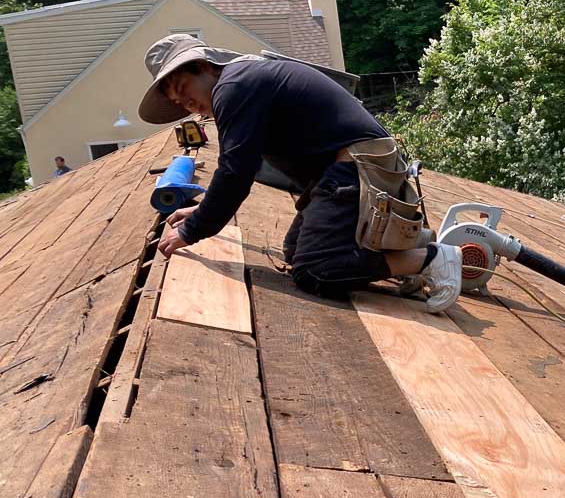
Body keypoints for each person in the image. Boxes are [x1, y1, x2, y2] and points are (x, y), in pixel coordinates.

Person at [137, 33, 462, 310]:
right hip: (353, 170)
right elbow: (239, 170)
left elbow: (236, 171)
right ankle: (402, 245)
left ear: (206, 67)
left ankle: (430, 258)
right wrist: (203, 209)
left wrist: (193, 229)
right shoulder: (242, 82)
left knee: (314, 269)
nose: (187, 103)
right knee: (296, 251)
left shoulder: (233, 86)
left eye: (184, 86)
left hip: (361, 168)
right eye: (178, 102)